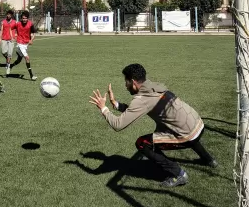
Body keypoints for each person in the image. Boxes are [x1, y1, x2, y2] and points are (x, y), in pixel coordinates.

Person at [88, 63, 217, 187]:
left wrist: (103, 108)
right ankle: (209, 160)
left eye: (126, 81)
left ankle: (178, 174)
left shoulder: (142, 100)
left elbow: (118, 124)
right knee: (178, 125)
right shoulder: (154, 86)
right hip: (198, 123)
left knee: (142, 143)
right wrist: (115, 104)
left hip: (189, 135)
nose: (125, 85)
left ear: (133, 81)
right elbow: (136, 110)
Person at [10, 11, 36, 81]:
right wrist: (13, 36)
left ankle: (11, 65)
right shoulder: (18, 24)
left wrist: (31, 40)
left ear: (28, 18)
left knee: (19, 60)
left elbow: (33, 34)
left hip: (26, 44)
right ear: (21, 18)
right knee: (27, 58)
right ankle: (31, 76)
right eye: (23, 18)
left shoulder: (30, 24)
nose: (24, 19)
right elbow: (11, 28)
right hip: (19, 43)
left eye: (26, 18)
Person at [0, 10, 17, 76]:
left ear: (12, 15)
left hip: (11, 40)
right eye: (7, 14)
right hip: (4, 39)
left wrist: (15, 37)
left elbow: (17, 30)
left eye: (9, 14)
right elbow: (1, 30)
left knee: (10, 54)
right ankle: (7, 59)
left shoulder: (15, 22)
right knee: (3, 52)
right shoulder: (3, 22)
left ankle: (8, 67)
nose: (8, 15)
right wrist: (0, 38)